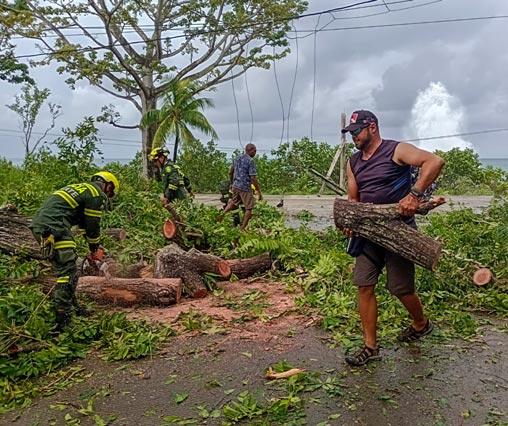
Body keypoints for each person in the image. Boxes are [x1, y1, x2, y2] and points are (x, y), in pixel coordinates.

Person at [340, 110, 445, 366]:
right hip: (368, 232)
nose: (354, 137)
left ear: (372, 127)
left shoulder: (396, 150)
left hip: (398, 231)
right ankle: (370, 347)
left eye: (357, 131)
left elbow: (434, 161)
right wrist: (350, 221)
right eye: (351, 133)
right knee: (364, 285)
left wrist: (415, 195)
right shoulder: (353, 162)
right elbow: (353, 199)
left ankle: (421, 324)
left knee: (400, 288)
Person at [30, 171, 119, 331]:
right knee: (68, 272)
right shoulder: (96, 194)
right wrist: (94, 248)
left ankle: (73, 308)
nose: (108, 196)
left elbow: (84, 225)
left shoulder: (82, 189)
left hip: (42, 225)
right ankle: (62, 321)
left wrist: (95, 247)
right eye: (110, 193)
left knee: (67, 268)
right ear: (108, 185)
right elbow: (93, 225)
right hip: (55, 227)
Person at [223, 143, 262, 230]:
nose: (255, 152)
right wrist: (258, 191)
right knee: (249, 208)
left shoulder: (237, 158)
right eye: (254, 151)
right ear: (250, 150)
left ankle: (220, 217)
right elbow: (253, 178)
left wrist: (232, 183)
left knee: (233, 203)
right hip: (245, 187)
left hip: (236, 186)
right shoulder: (250, 161)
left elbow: (230, 172)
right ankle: (242, 228)